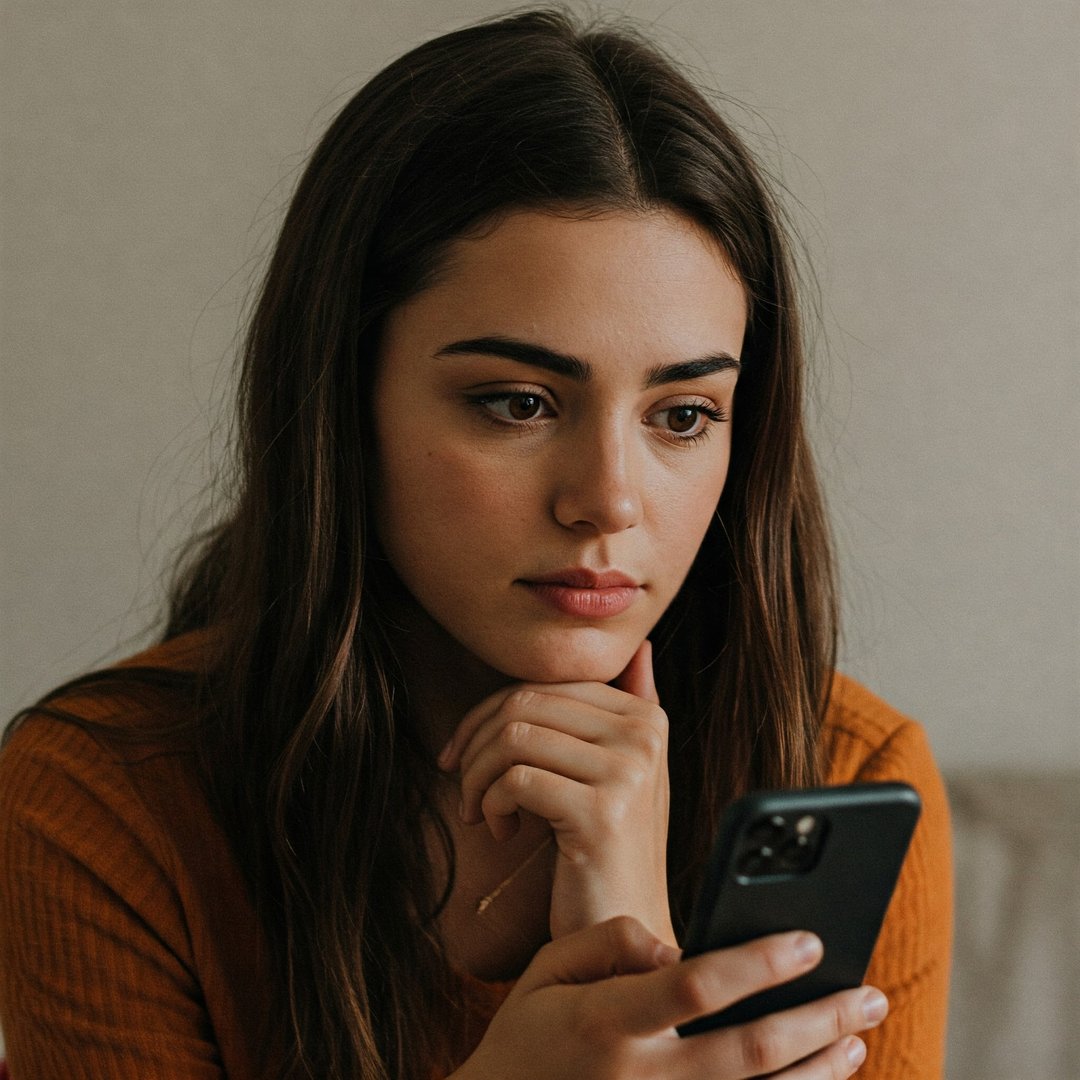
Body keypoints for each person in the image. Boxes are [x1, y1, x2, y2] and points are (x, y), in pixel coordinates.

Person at [0, 8, 951, 1079]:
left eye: (682, 415)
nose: (607, 502)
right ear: (344, 403)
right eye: (517, 403)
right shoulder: (110, 800)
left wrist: (632, 938)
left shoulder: (843, 780)